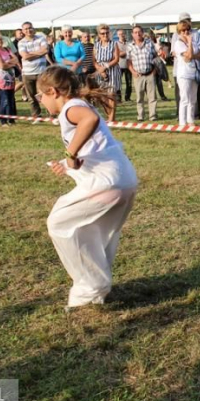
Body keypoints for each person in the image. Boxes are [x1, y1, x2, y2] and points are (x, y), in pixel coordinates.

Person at [38, 66, 138, 309]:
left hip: (108, 185)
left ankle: (91, 287)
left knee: (59, 223)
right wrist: (68, 163)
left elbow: (89, 121)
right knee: (93, 232)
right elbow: (95, 148)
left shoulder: (72, 107)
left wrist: (69, 152)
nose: (40, 101)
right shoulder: (79, 105)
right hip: (124, 181)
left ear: (53, 91)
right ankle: (93, 290)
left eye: (41, 95)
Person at [172, 13, 200, 119]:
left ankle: (194, 116)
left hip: (195, 70)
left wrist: (193, 55)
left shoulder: (196, 34)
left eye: (188, 21)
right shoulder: (176, 37)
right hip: (182, 70)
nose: (186, 30)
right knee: (183, 96)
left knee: (194, 97)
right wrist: (190, 54)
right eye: (184, 21)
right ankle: (181, 117)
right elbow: (174, 52)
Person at [17, 22, 49, 122]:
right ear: (23, 31)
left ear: (33, 28)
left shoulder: (41, 38)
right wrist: (39, 53)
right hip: (27, 73)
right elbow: (25, 56)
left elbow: (45, 50)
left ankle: (51, 113)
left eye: (30, 28)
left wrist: (30, 54)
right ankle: (37, 116)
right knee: (31, 97)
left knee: (45, 94)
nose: (28, 30)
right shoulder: (21, 42)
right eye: (25, 29)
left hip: (41, 72)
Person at [127, 25, 158, 121]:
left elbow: (155, 57)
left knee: (152, 97)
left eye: (139, 32)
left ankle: (152, 116)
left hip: (150, 74)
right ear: (132, 34)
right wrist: (133, 72)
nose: (138, 34)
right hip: (138, 75)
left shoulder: (150, 43)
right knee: (139, 98)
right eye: (135, 32)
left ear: (142, 32)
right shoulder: (129, 46)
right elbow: (129, 61)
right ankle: (140, 116)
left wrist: (154, 71)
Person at [0, 32, 20, 127]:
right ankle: (3, 121)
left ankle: (11, 120)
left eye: (0, 39)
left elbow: (16, 59)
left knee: (11, 100)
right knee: (5, 100)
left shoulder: (7, 49)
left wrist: (8, 62)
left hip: (11, 79)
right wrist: (11, 63)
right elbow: (2, 66)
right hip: (1, 80)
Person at [93, 24, 122, 123]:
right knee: (103, 96)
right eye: (103, 33)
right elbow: (94, 61)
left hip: (112, 70)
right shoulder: (96, 45)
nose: (105, 35)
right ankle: (108, 115)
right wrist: (100, 70)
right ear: (99, 34)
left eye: (107, 33)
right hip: (100, 73)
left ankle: (112, 118)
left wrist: (105, 67)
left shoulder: (114, 44)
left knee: (111, 95)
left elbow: (116, 59)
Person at [114, 29, 131, 102]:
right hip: (119, 66)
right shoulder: (115, 44)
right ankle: (118, 98)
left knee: (129, 83)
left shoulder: (129, 43)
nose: (121, 35)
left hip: (128, 66)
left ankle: (127, 98)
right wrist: (127, 52)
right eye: (120, 34)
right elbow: (119, 54)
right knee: (118, 83)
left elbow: (131, 52)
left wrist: (123, 52)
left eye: (122, 33)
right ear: (117, 35)